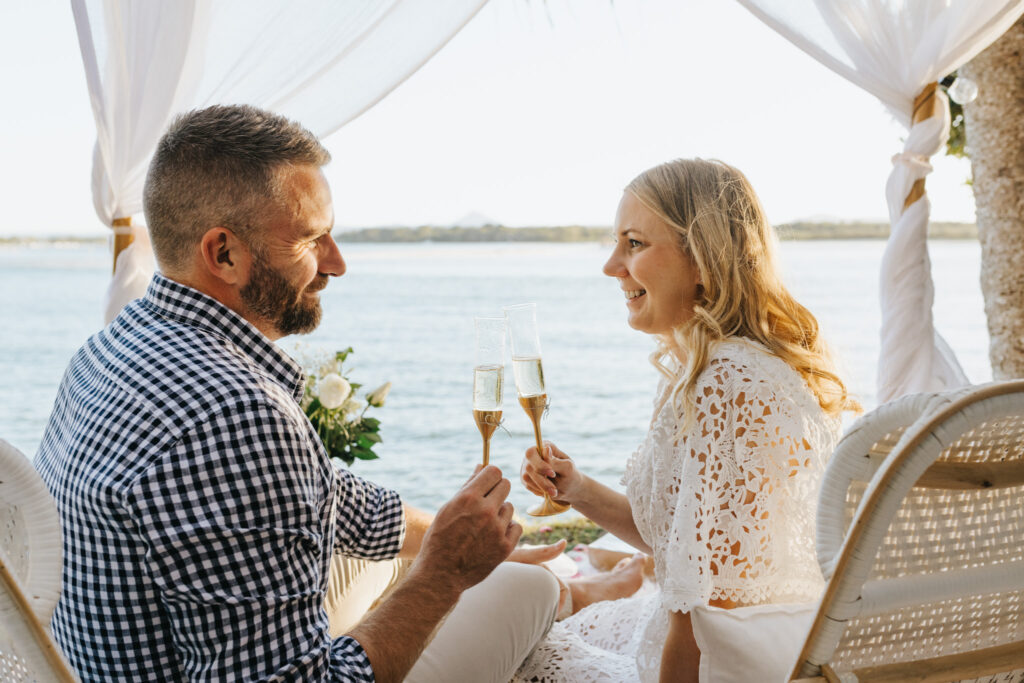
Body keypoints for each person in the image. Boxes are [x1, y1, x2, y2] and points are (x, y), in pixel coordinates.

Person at [35, 104, 566, 682]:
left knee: (376, 566)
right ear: (225, 254)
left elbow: (326, 494)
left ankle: (567, 590)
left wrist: (442, 531)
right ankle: (573, 597)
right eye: (313, 239)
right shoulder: (237, 413)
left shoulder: (107, 347)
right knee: (527, 587)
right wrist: (443, 573)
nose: (337, 264)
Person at [514, 159, 860, 682]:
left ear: (703, 258)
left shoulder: (725, 382)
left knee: (518, 649)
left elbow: (703, 613)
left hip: (731, 663)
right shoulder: (729, 364)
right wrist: (580, 489)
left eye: (633, 243)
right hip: (772, 643)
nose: (611, 265)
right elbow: (691, 549)